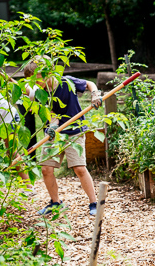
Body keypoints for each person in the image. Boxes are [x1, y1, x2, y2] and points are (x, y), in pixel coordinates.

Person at [23, 58, 103, 216]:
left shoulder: (66, 82)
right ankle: (55, 203)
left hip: (74, 130)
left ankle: (94, 203)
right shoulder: (41, 92)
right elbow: (52, 114)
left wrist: (95, 95)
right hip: (54, 132)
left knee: (79, 168)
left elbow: (89, 84)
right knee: (46, 169)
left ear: (48, 73)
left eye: (36, 78)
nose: (35, 83)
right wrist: (53, 126)